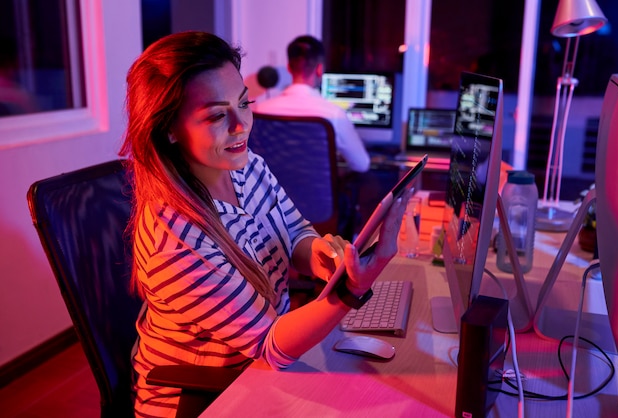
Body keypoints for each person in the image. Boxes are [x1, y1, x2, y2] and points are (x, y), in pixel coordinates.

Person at [118, 31, 409, 417]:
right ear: (168, 129)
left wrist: (319, 254)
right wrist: (348, 292)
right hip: (204, 398)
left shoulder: (247, 166)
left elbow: (296, 234)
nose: (242, 126)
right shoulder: (176, 242)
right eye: (218, 115)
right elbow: (270, 346)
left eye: (244, 103)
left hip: (259, 366)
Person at [254, 35, 370, 173]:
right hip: (318, 193)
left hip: (274, 193)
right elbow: (362, 164)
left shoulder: (261, 111)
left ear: (289, 68)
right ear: (319, 69)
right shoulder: (334, 114)